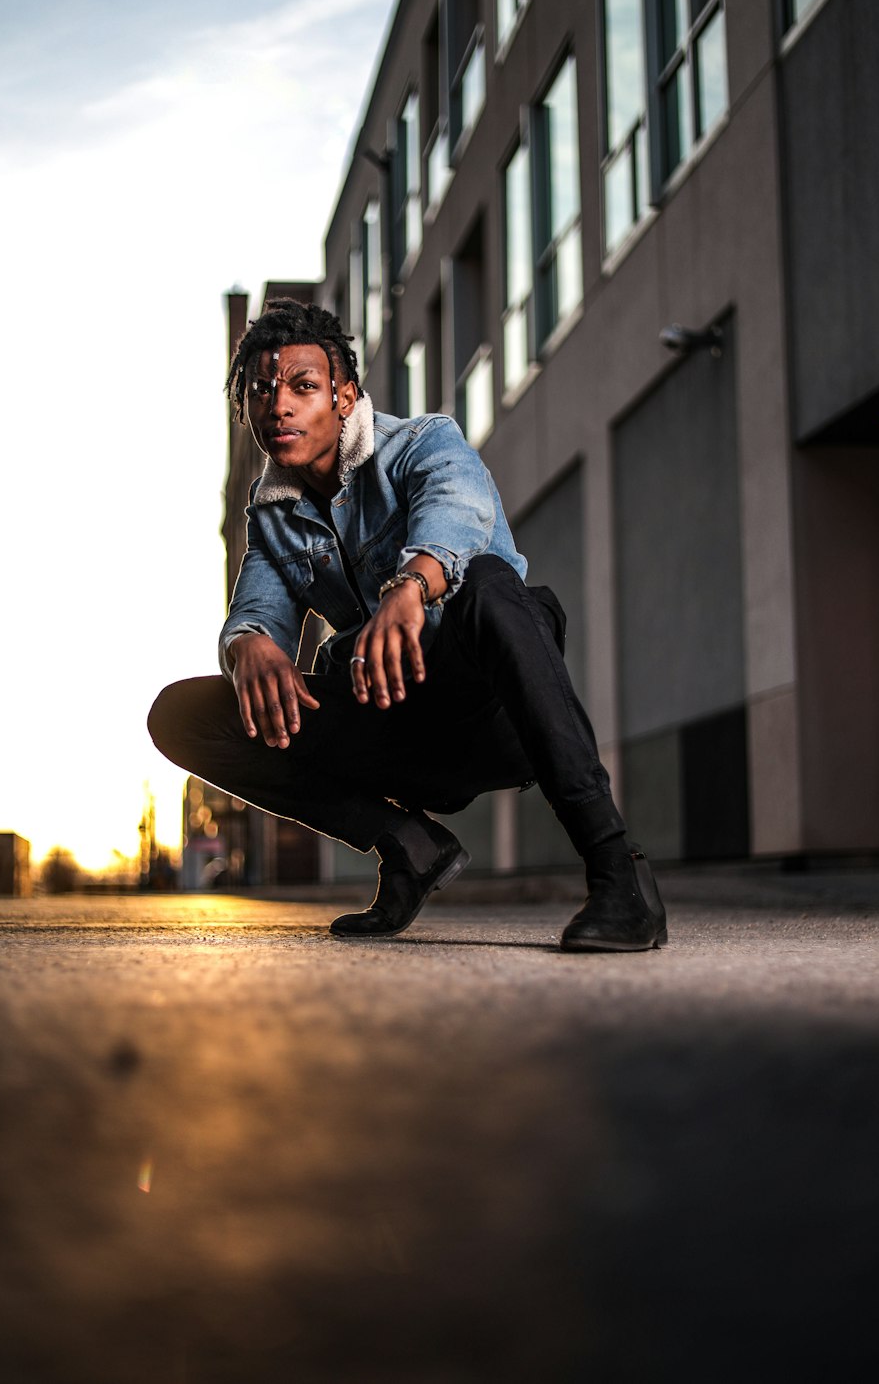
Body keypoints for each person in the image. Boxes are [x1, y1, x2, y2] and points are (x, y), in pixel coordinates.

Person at [148, 297, 666, 952]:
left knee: (492, 586)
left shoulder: (424, 442)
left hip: (492, 713)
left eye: (303, 386)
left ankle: (621, 874)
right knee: (183, 712)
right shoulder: (272, 514)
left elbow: (459, 508)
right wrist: (250, 646)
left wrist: (412, 586)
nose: (278, 405)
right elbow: (258, 606)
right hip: (397, 730)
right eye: (260, 391)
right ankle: (408, 845)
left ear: (344, 395)